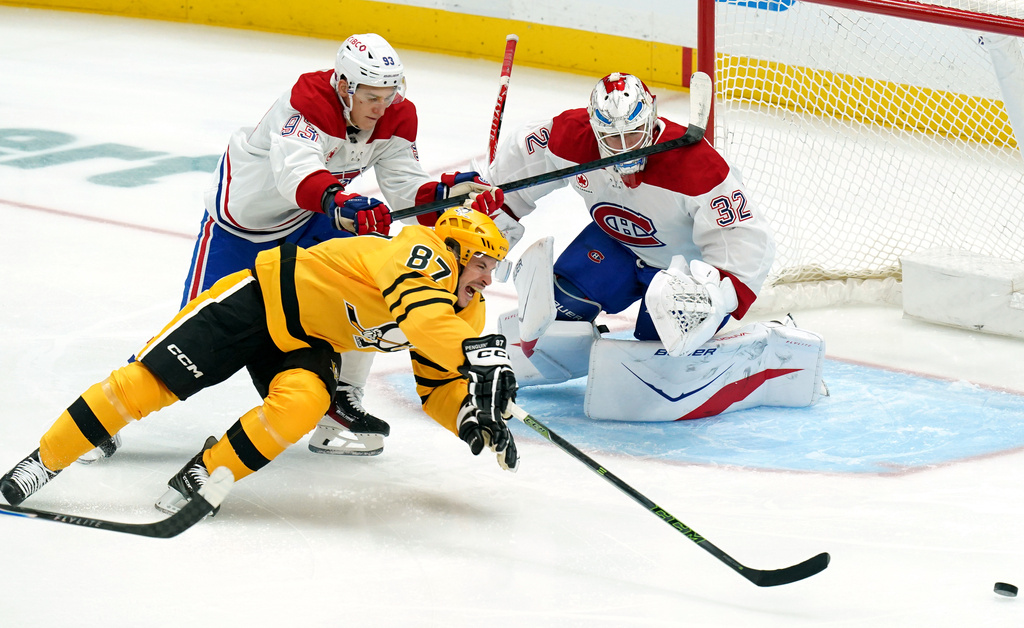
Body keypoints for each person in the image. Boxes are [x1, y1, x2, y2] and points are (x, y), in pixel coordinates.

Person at [80, 33, 494, 463]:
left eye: (389, 95)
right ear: (344, 86)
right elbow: (295, 176)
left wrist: (450, 192)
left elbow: (406, 188)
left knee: (367, 286)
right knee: (195, 330)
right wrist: (341, 201)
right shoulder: (306, 102)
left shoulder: (396, 117)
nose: (382, 106)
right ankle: (103, 421)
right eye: (371, 96)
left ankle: (339, 405)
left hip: (308, 221)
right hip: (242, 226)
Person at [0, 207, 519, 514]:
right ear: (450, 248)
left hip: (304, 340)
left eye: (493, 268)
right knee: (144, 386)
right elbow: (423, 318)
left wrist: (469, 415)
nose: (486, 280)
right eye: (480, 263)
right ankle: (44, 461)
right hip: (257, 301)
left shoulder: (464, 314)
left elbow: (437, 385)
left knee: (303, 404)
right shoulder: (418, 253)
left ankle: (205, 474)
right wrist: (480, 359)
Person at [466, 72, 825, 421]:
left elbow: (746, 242)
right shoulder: (571, 138)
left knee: (656, 360)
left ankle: (761, 344)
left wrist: (717, 298)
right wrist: (488, 224)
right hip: (617, 244)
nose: (623, 149)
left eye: (634, 134)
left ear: (651, 118)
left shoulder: (697, 166)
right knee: (553, 323)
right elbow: (515, 173)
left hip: (682, 274)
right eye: (612, 138)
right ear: (594, 127)